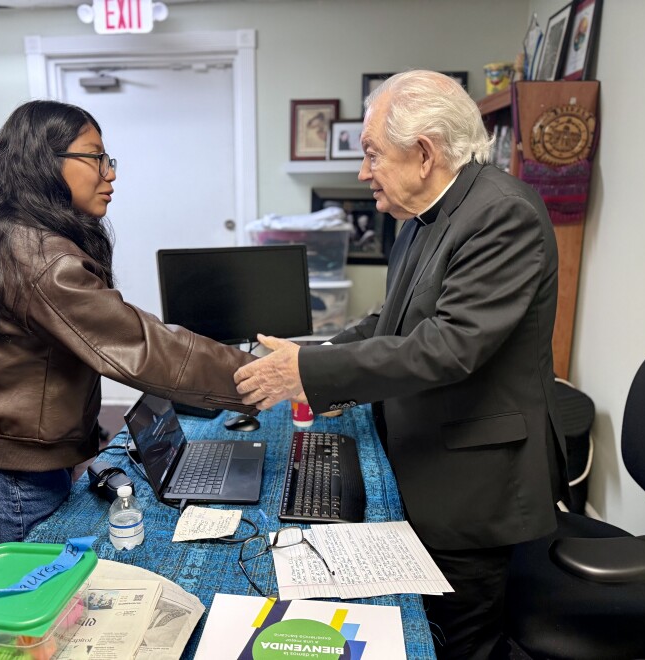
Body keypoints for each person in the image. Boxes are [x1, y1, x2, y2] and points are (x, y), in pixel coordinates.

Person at [234, 70, 568, 659]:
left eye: (371, 155)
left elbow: (448, 345)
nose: (363, 173)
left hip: (473, 487)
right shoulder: (422, 216)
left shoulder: (503, 214)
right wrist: (315, 354)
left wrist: (309, 375)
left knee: (458, 641)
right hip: (425, 455)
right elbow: (391, 321)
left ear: (423, 154)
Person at [0, 100, 258, 557]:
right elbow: (138, 345)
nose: (110, 173)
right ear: (44, 163)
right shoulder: (37, 256)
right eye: (95, 156)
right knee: (40, 620)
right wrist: (258, 376)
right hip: (11, 483)